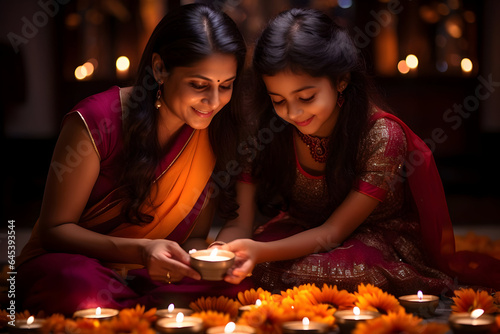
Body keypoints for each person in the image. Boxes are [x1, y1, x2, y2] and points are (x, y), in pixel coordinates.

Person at [215, 8, 500, 294]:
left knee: (339, 273)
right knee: (251, 260)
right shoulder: (266, 128)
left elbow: (333, 233)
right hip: (302, 228)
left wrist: (259, 254)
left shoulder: (382, 135)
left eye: (306, 97)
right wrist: (222, 250)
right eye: (278, 99)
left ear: (341, 80)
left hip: (373, 238)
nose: (293, 112)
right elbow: (241, 220)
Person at [16, 3, 249, 315]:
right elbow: (55, 230)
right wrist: (142, 250)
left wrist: (204, 260)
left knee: (234, 287)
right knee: (78, 288)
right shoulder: (98, 119)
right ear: (160, 68)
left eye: (226, 86)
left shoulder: (214, 131)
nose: (214, 101)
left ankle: (139, 306)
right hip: (77, 265)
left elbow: (193, 236)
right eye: (199, 84)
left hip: (152, 272)